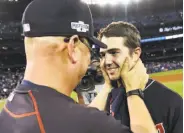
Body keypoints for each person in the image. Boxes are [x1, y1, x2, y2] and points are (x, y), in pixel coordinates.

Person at [0, 0, 157, 132]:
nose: (90, 57)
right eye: (89, 47)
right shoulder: (84, 122)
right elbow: (81, 121)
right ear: (73, 47)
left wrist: (107, 87)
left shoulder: (13, 105)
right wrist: (133, 91)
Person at [89, 21, 183, 133]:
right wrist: (107, 88)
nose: (107, 62)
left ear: (135, 54)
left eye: (114, 52)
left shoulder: (171, 102)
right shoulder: (105, 99)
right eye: (103, 55)